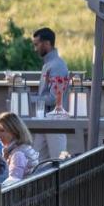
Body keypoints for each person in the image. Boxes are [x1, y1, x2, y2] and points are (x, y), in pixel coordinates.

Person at [31, 27, 71, 159]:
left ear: (47, 43)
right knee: (36, 163)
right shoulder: (49, 65)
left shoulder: (57, 66)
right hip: (45, 121)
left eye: (37, 44)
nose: (35, 49)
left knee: (59, 163)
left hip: (55, 122)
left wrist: (28, 99)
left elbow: (54, 98)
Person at [0, 112, 41, 181]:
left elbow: (13, 183)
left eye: (2, 131)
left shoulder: (18, 154)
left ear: (14, 131)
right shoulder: (23, 147)